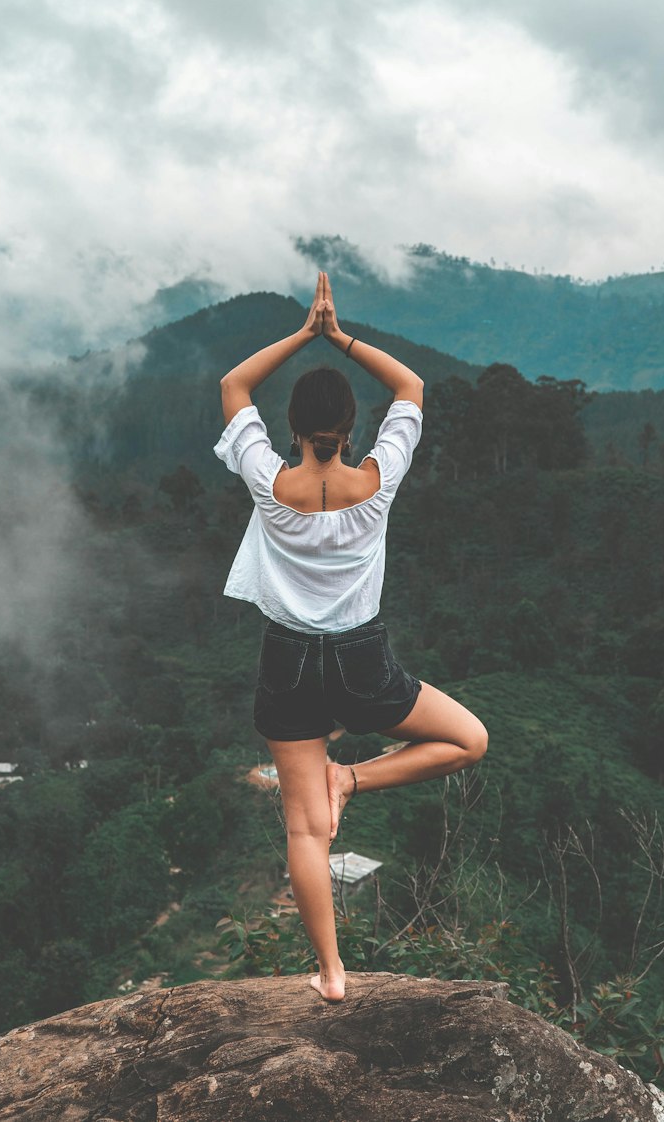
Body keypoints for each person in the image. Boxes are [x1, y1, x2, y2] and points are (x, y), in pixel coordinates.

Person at [214, 271, 489, 1003]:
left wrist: (304, 333)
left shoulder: (269, 482)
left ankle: (332, 974)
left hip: (288, 665)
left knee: (306, 834)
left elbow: (234, 386)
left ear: (295, 430)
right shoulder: (380, 476)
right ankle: (357, 778)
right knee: (469, 740)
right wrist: (343, 337)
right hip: (364, 663)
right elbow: (413, 388)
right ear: (350, 428)